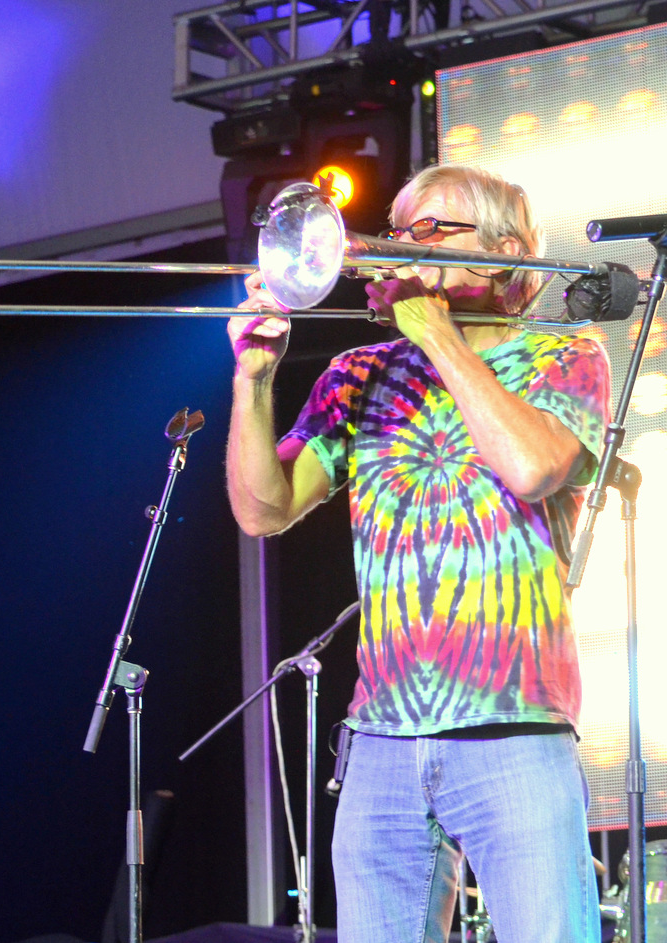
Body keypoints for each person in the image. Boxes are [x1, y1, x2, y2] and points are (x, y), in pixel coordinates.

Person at [225, 164, 610, 940]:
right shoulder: (356, 375)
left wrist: (432, 329)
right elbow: (263, 510)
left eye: (428, 230)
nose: (396, 247)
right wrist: (254, 380)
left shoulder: (568, 357)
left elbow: (532, 467)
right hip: (381, 745)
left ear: (505, 255)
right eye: (395, 230)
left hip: (516, 729)